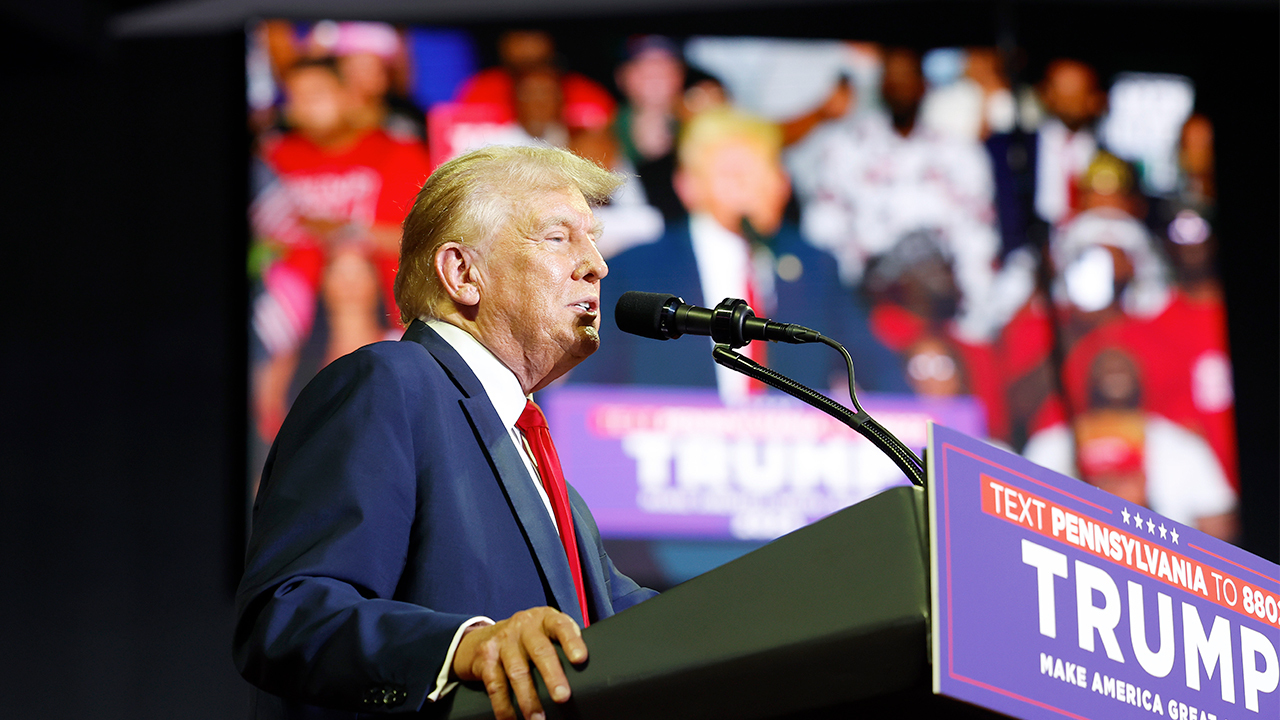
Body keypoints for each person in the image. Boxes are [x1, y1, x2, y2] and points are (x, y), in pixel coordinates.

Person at [235, 146, 658, 720]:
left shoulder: (547, 477)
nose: (597, 265)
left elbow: (650, 629)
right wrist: (462, 647)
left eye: (593, 239)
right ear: (463, 273)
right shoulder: (389, 383)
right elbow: (290, 614)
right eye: (560, 238)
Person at [572, 107, 907, 400]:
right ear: (688, 186)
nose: (755, 188)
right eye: (735, 174)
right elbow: (586, 396)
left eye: (767, 172)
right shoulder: (635, 271)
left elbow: (879, 373)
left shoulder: (816, 267)